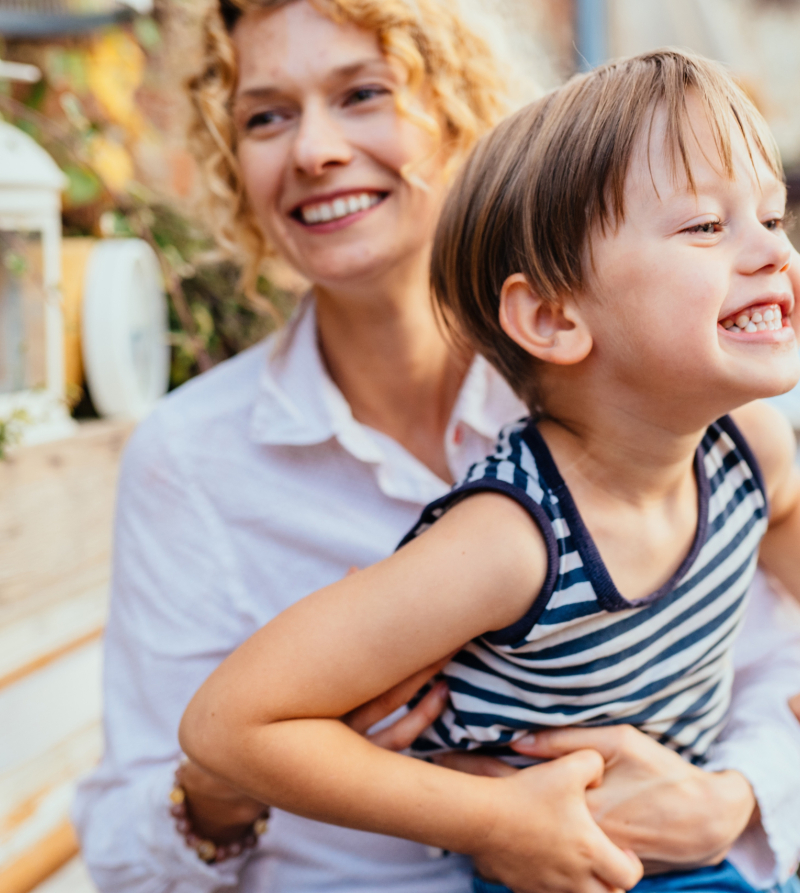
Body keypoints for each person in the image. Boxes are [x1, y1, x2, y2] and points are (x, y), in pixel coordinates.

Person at [72, 1, 800, 891]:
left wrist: (733, 797)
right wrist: (492, 816)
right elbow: (189, 770)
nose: (313, 150)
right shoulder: (202, 461)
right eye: (266, 115)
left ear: (457, 107)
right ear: (548, 316)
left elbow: (774, 672)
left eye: (363, 92)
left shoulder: (698, 423)